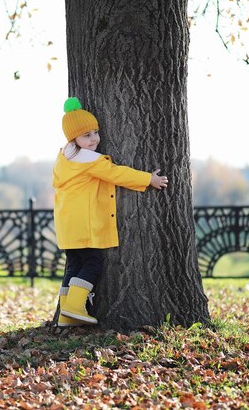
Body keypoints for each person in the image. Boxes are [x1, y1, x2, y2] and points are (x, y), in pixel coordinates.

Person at [53, 97, 168, 327]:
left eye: (95, 132)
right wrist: (149, 179)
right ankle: (75, 307)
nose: (94, 138)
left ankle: (66, 314)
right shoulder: (88, 160)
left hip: (67, 224)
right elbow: (117, 174)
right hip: (83, 224)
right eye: (86, 135)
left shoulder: (65, 159)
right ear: (73, 138)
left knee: (74, 264)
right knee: (93, 263)